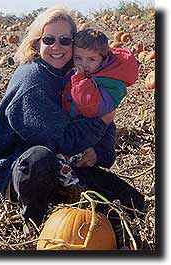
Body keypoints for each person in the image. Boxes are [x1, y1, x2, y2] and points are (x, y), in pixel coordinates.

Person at [0, 6, 144, 226]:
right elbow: (65, 140)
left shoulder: (75, 73)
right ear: (36, 43)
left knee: (134, 205)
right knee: (40, 158)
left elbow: (96, 112)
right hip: (24, 173)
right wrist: (102, 122)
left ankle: (68, 195)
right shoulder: (32, 80)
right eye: (49, 40)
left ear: (74, 44)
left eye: (65, 40)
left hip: (67, 163)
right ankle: (34, 220)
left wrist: (99, 153)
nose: (57, 47)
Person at [57, 28, 137, 187]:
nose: (83, 64)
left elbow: (89, 106)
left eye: (91, 59)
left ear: (104, 59)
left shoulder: (112, 82)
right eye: (78, 58)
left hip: (99, 130)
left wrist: (79, 80)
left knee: (82, 159)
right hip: (80, 126)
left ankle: (74, 187)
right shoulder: (85, 73)